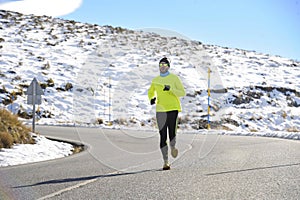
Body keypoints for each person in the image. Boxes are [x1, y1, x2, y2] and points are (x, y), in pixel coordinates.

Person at [148, 57, 186, 170]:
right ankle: (166, 161)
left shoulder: (174, 78)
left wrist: (170, 89)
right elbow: (150, 91)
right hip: (160, 110)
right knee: (162, 135)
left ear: (168, 66)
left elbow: (182, 92)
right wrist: (151, 98)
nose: (162, 66)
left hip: (173, 109)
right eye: (160, 65)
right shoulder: (155, 80)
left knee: (172, 133)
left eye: (164, 64)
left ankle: (173, 147)